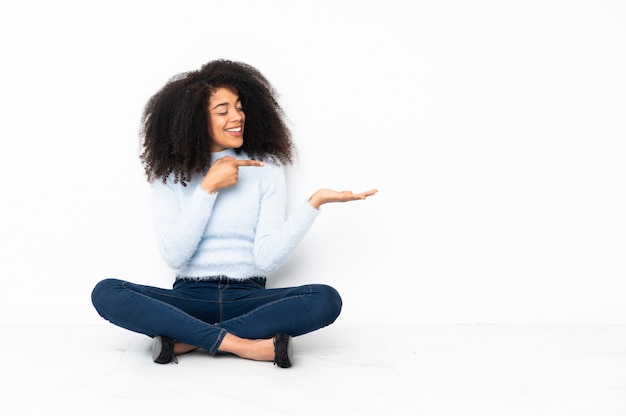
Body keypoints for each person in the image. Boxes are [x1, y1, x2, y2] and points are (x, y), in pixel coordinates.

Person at [91, 59, 377, 368]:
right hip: (188, 300)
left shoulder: (266, 167)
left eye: (239, 107)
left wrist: (313, 204)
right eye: (223, 110)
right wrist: (208, 188)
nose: (236, 117)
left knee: (325, 298)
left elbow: (266, 259)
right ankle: (245, 346)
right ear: (195, 119)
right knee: (106, 292)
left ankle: (187, 340)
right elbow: (174, 256)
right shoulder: (170, 175)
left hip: (249, 298)